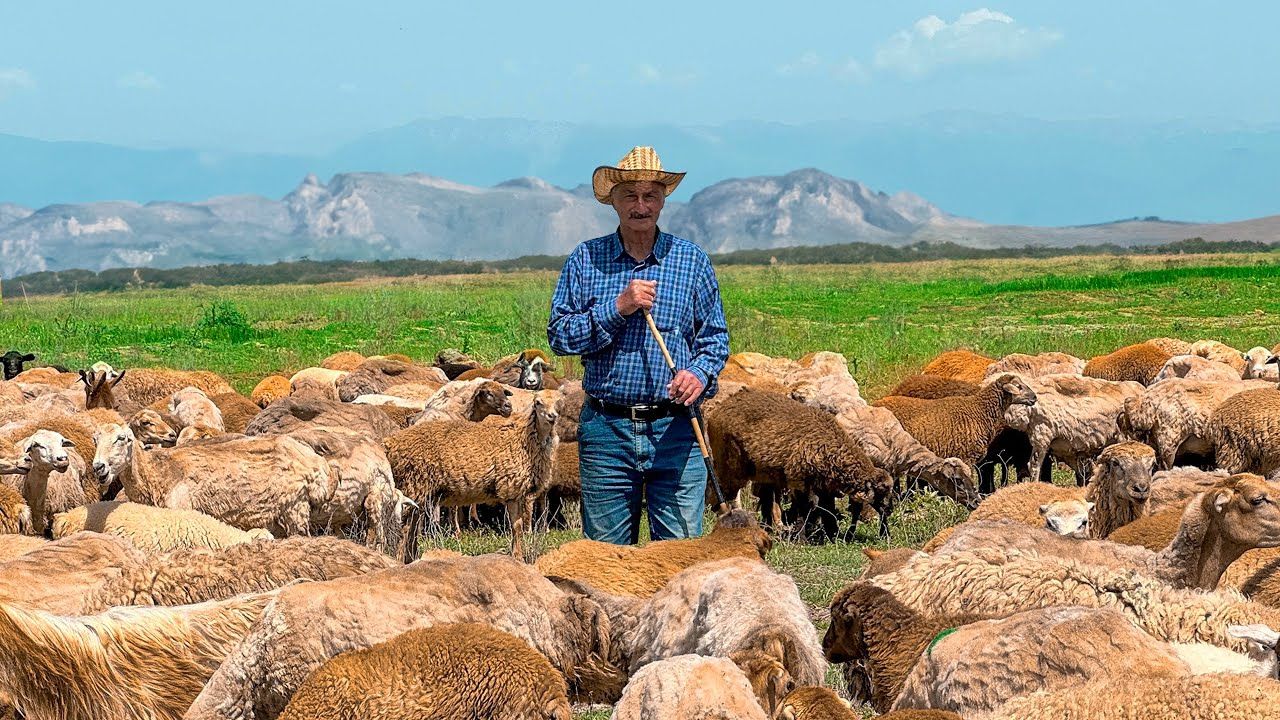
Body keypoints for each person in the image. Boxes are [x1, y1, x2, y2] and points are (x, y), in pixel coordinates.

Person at [547, 146, 730, 545]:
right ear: (613, 200)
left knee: (680, 560)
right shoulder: (586, 260)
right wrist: (618, 308)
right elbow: (560, 335)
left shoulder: (691, 261)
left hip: (677, 429)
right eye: (630, 195)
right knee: (607, 565)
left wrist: (698, 375)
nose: (641, 205)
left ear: (664, 199)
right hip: (607, 432)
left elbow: (714, 339)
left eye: (650, 195)